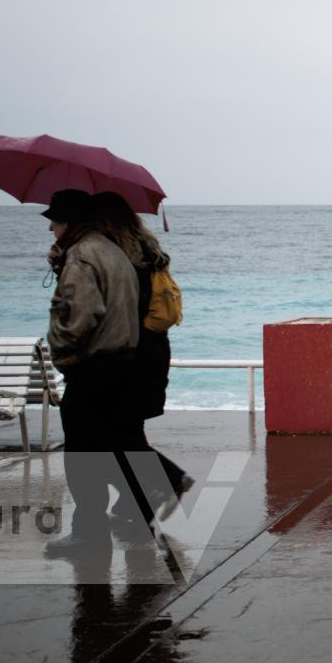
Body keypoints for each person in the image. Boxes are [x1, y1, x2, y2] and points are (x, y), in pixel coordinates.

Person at [42, 189, 143, 555]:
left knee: (83, 457)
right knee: (108, 448)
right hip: (120, 366)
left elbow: (77, 318)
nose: (51, 228)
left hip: (92, 369)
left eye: (55, 220)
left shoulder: (82, 257)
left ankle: (89, 532)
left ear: (71, 222)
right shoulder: (115, 251)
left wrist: (62, 356)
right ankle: (147, 496)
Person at [92, 192, 195, 525]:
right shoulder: (150, 254)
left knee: (112, 434)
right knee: (127, 429)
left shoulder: (119, 260)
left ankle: (169, 478)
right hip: (154, 350)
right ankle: (134, 503)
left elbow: (112, 311)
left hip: (130, 354)